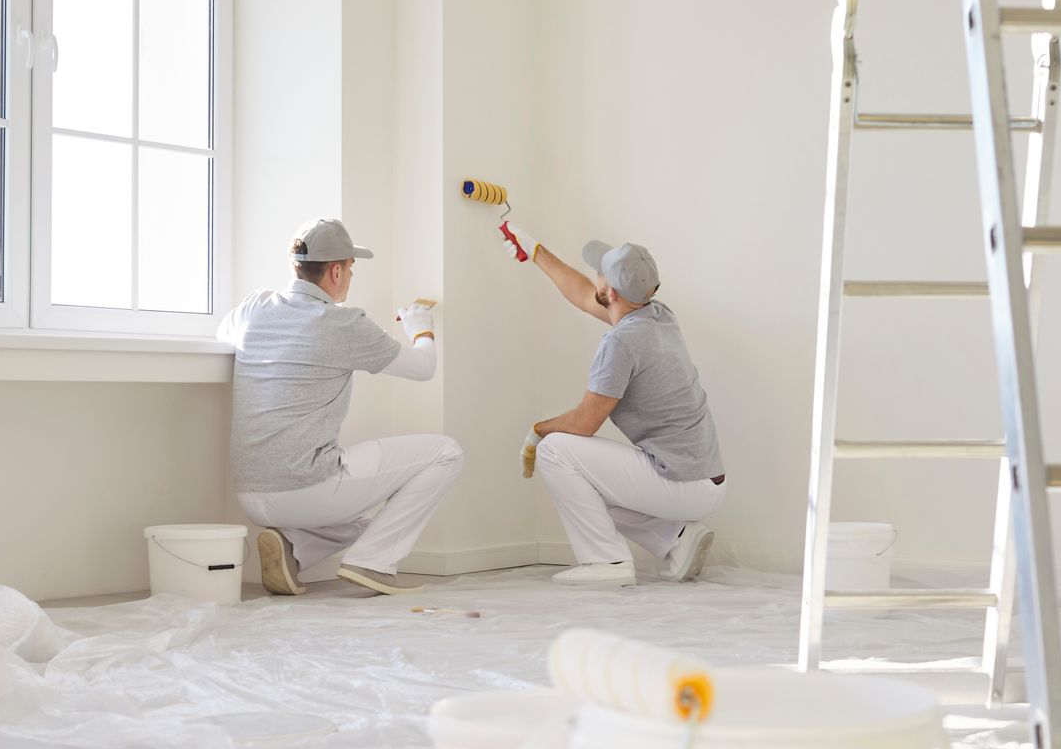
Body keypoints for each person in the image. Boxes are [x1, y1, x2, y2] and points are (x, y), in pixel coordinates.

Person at [218, 218, 462, 597]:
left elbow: (224, 334)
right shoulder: (341, 323)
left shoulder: (255, 307)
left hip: (250, 492)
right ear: (335, 271)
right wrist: (421, 327)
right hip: (304, 488)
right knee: (447, 452)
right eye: (350, 267)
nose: (350, 275)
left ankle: (294, 550)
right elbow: (424, 368)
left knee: (367, 524)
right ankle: (374, 564)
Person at [502, 224, 724, 587]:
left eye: (599, 274)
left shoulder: (621, 344)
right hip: (705, 480)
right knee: (584, 482)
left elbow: (585, 423)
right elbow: (581, 294)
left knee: (557, 450)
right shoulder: (657, 315)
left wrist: (538, 430)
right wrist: (534, 249)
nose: (595, 279)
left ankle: (606, 561)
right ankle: (675, 538)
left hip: (681, 482)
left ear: (611, 291)